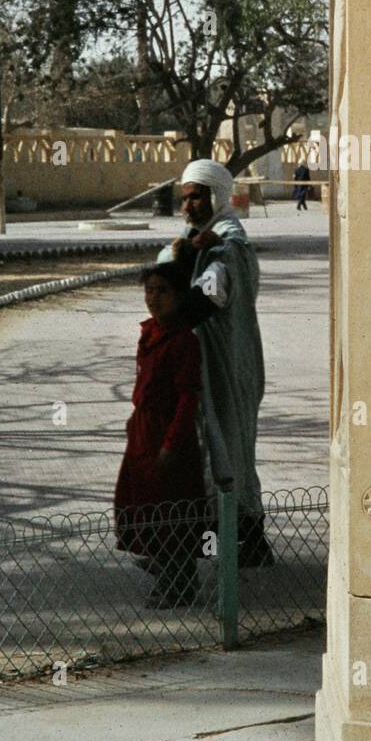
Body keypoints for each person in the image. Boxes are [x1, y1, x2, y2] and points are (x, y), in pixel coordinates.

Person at [157, 159, 273, 566]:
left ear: (217, 197)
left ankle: (243, 543)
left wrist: (181, 267)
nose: (187, 206)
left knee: (229, 454)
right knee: (217, 455)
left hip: (227, 368)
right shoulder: (199, 238)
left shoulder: (227, 245)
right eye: (184, 198)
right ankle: (237, 543)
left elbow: (209, 296)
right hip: (203, 368)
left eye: (195, 197)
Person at [115, 262, 207, 608]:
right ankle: (159, 566)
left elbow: (187, 397)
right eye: (149, 290)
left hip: (168, 433)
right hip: (143, 430)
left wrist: (172, 443)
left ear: (180, 297)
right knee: (142, 504)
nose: (153, 298)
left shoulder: (183, 341)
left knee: (172, 513)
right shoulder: (151, 332)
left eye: (162, 291)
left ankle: (179, 584)